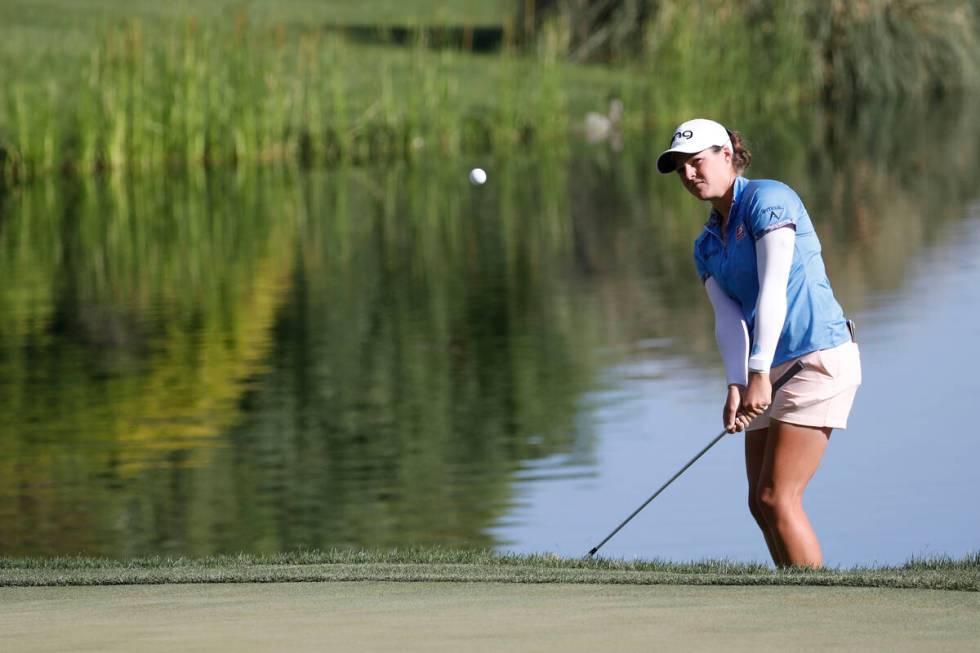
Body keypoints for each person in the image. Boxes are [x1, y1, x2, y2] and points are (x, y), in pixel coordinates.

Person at [656, 118, 862, 568]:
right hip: (768, 367)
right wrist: (735, 383)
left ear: (727, 155)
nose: (689, 175)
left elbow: (773, 289)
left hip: (817, 358)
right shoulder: (706, 244)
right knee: (759, 501)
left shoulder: (770, 200)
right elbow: (729, 320)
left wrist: (757, 373)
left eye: (697, 162)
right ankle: (793, 602)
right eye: (681, 169)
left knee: (777, 496)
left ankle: (817, 611)